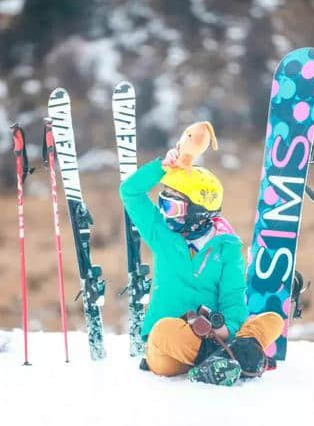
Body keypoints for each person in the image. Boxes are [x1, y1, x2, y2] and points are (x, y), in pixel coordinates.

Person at [119, 146, 284, 386]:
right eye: (163, 204)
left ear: (198, 212)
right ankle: (232, 358)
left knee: (272, 320)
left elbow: (233, 303)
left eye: (172, 207)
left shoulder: (227, 248)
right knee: (163, 330)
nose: (165, 214)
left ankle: (224, 360)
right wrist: (162, 167)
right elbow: (130, 192)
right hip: (169, 347)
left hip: (215, 335)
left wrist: (223, 331)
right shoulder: (162, 234)